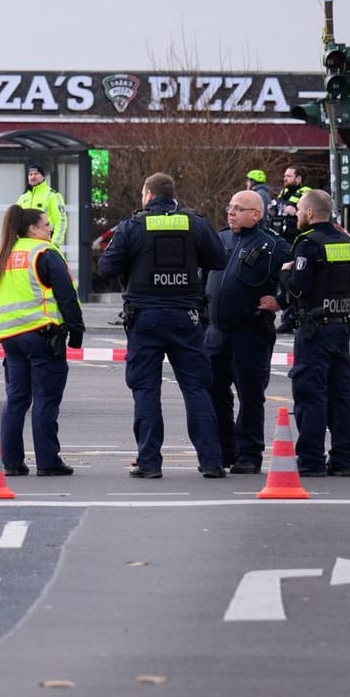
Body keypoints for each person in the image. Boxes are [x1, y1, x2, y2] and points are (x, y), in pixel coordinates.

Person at [96, 172, 229, 479]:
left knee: (146, 389)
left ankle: (149, 462)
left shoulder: (133, 226)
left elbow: (105, 267)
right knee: (196, 389)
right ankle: (211, 461)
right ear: (172, 195)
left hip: (146, 318)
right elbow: (219, 259)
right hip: (187, 317)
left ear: (148, 195)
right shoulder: (195, 222)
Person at [0, 206, 84, 477]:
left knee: (16, 399)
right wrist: (76, 329)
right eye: (46, 224)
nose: (50, 229)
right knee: (45, 399)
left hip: (10, 340)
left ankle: (13, 462)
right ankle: (48, 461)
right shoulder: (44, 253)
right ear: (32, 228)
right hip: (42, 335)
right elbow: (66, 294)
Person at [279, 189, 350, 477]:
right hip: (341, 327)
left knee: (310, 394)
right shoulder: (345, 241)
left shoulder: (308, 243)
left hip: (314, 328)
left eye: (301, 210)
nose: (298, 215)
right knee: (341, 396)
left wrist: (285, 272)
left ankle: (311, 460)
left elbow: (299, 288)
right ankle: (343, 460)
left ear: (310, 213)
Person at [205, 189, 290, 474]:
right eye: (230, 207)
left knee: (250, 396)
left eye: (238, 208)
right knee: (216, 393)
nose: (231, 212)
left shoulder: (273, 246)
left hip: (250, 333)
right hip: (215, 333)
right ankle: (224, 449)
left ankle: (249, 454)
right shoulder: (221, 239)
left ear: (256, 214)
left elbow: (296, 281)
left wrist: (282, 301)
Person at [16, 163, 67, 248]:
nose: (33, 177)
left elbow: (61, 221)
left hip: (44, 244)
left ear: (43, 176)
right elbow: (15, 221)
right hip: (24, 245)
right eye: (30, 174)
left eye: (36, 174)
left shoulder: (53, 195)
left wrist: (54, 243)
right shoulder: (22, 198)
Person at [266, 165, 308, 238]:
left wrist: (295, 213)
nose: (285, 179)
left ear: (298, 179)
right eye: (284, 176)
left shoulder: (306, 194)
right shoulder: (283, 193)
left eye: (289, 176)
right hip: (280, 235)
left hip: (296, 235)